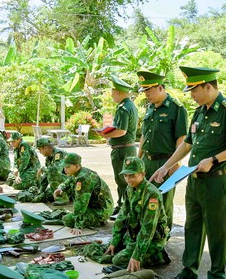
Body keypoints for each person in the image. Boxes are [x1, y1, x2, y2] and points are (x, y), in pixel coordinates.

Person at [151, 66, 226, 279]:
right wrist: (166, 166)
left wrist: (214, 159)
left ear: (208, 86)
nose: (192, 95)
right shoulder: (199, 111)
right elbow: (187, 144)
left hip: (216, 180)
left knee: (216, 229)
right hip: (193, 179)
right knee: (192, 227)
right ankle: (188, 271)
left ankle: (216, 276)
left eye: (195, 90)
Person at [137, 70, 188, 230]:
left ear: (160, 88)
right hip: (147, 161)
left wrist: (175, 164)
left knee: (162, 203)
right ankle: (144, 237)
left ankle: (161, 239)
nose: (146, 95)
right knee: (144, 199)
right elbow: (144, 136)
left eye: (149, 91)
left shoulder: (176, 108)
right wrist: (138, 160)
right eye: (144, 91)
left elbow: (182, 139)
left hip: (165, 162)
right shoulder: (150, 108)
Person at [104, 156, 170, 273]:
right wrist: (115, 241)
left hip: (152, 237)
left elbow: (148, 228)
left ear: (143, 174)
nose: (129, 180)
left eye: (132, 175)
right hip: (135, 233)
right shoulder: (130, 189)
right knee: (109, 248)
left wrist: (137, 256)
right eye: (126, 176)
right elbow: (122, 216)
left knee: (118, 260)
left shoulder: (151, 194)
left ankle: (157, 255)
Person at [96, 76, 138, 217]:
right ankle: (123, 206)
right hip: (127, 148)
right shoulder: (131, 106)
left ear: (118, 92)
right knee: (126, 179)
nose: (112, 95)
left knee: (123, 180)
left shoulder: (123, 108)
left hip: (122, 149)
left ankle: (125, 208)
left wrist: (105, 134)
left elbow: (121, 131)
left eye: (113, 92)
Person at [54, 153, 114, 235]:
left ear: (77, 166)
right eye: (64, 167)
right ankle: (91, 218)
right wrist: (61, 188)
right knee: (68, 216)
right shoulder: (78, 172)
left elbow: (81, 202)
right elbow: (69, 181)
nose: (65, 169)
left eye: (67, 167)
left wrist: (78, 225)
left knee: (67, 220)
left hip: (102, 210)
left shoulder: (84, 178)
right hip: (94, 206)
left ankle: (100, 220)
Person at [34, 137, 68, 203]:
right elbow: (46, 174)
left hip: (70, 183)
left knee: (52, 175)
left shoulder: (59, 153)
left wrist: (43, 169)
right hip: (62, 183)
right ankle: (60, 195)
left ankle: (62, 199)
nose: (40, 152)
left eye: (40, 150)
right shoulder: (48, 157)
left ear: (45, 148)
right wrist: (41, 191)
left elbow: (56, 170)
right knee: (46, 196)